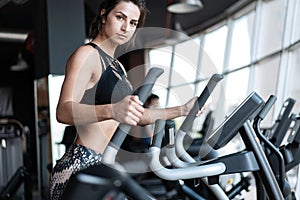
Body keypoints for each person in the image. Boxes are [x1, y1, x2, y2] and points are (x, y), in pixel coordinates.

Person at [49, 0, 202, 199]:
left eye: (132, 23)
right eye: (120, 17)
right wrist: (112, 110)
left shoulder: (117, 67)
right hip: (81, 164)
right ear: (104, 16)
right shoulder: (87, 55)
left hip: (103, 163)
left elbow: (138, 115)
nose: (125, 28)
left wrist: (181, 110)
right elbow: (63, 111)